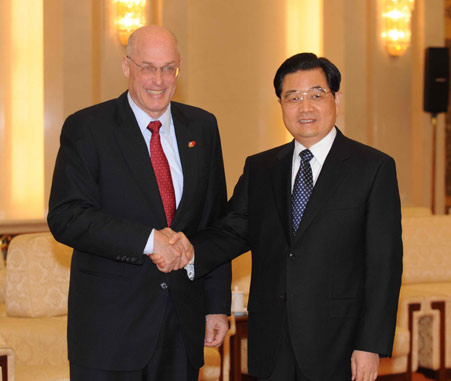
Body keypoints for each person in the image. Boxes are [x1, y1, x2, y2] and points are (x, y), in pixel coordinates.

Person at [155, 53, 403, 381]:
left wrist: (369, 344)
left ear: (336, 98)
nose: (305, 107)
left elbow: (384, 265)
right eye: (293, 97)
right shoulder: (261, 168)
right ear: (281, 104)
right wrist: (189, 249)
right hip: (271, 341)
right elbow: (233, 231)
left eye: (316, 95)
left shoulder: (373, 168)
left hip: (339, 344)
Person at [47, 25, 231, 381]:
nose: (158, 80)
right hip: (109, 333)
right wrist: (149, 240)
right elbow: (67, 215)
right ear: (126, 66)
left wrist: (216, 306)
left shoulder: (203, 127)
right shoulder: (88, 128)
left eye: (168, 68)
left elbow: (214, 222)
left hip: (181, 328)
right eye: (148, 67)